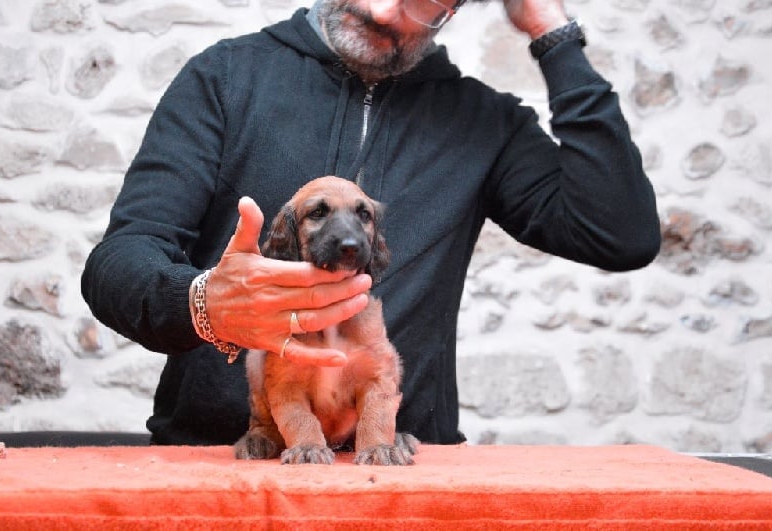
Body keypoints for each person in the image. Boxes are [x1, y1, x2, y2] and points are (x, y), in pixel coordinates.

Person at [81, 0, 661, 446]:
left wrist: (552, 32)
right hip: (218, 462)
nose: (384, 12)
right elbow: (117, 265)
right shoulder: (225, 77)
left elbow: (620, 234)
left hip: (400, 473)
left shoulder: (486, 122)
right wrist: (203, 303)